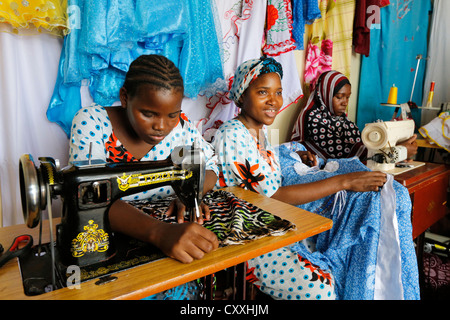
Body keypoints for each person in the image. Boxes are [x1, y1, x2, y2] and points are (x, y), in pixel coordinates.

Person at [212, 57, 419, 300]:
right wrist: (346, 181)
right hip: (250, 236)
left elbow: (261, 175)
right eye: (262, 92)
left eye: (278, 92)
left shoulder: (259, 132)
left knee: (381, 204)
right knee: (323, 287)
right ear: (241, 96)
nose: (274, 101)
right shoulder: (232, 134)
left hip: (274, 224)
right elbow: (270, 198)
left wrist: (295, 153)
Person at [69, 54, 220, 298]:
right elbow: (91, 198)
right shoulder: (91, 122)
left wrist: (191, 194)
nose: (161, 126)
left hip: (172, 244)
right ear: (125, 97)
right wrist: (159, 233)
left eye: (172, 114)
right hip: (111, 243)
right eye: (148, 113)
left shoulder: (180, 128)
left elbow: (211, 167)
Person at [290, 70, 418, 162]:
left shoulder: (340, 119)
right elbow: (342, 154)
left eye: (347, 97)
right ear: (325, 94)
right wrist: (398, 152)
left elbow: (360, 144)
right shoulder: (313, 118)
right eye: (339, 97)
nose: (345, 102)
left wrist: (397, 150)